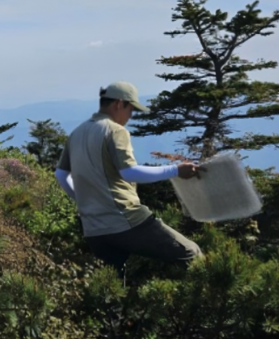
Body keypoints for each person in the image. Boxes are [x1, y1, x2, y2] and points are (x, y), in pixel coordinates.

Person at [55, 81, 203, 276]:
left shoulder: (77, 133)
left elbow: (61, 174)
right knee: (192, 253)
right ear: (119, 104)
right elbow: (129, 172)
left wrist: (83, 200)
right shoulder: (115, 130)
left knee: (115, 282)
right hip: (125, 221)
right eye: (131, 109)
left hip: (93, 229)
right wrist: (175, 170)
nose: (130, 116)